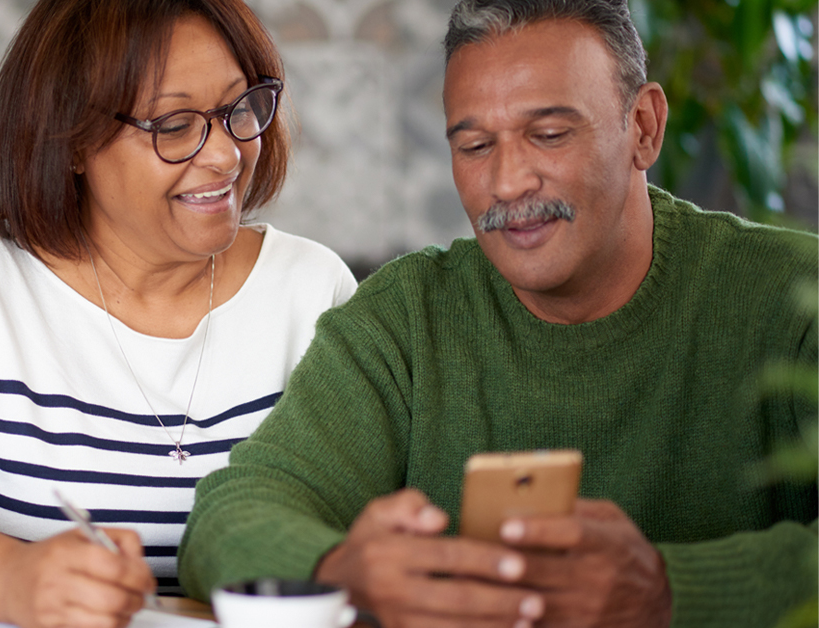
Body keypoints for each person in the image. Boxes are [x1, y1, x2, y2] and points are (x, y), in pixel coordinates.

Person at [178, 1, 818, 626]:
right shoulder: (407, 317)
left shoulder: (796, 299)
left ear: (645, 127)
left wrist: (671, 593)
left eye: (549, 134)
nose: (508, 183)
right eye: (476, 145)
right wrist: (337, 567)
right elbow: (229, 518)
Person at [0, 1, 356, 627]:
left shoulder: (312, 289)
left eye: (237, 109)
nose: (224, 156)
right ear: (74, 141)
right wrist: (10, 580)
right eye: (173, 124)